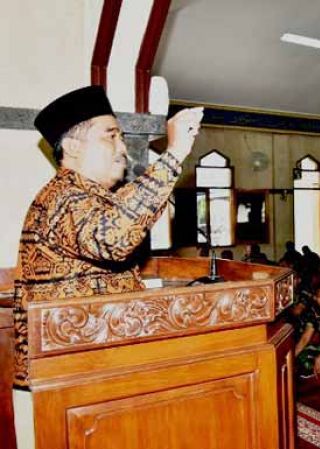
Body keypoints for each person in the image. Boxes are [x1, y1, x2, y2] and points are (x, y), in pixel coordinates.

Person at [13, 86, 202, 387]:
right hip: (71, 378)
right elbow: (114, 237)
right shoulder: (63, 198)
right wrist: (175, 153)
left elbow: (124, 206)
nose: (123, 149)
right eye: (111, 136)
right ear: (73, 147)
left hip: (93, 370)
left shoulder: (86, 196)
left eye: (122, 138)